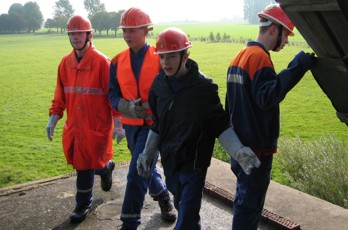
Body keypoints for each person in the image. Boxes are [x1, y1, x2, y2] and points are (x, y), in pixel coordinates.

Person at [136, 27, 261, 230]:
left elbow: (220, 125)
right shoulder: (158, 86)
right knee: (184, 209)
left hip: (194, 166)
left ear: (185, 56)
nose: (165, 63)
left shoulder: (204, 88)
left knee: (186, 217)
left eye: (171, 57)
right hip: (170, 162)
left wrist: (238, 151)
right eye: (162, 57)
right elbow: (158, 124)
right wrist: (146, 154)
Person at [225, 4, 316, 230]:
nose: (286, 41)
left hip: (240, 148)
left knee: (243, 201)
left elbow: (230, 105)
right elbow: (268, 97)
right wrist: (297, 67)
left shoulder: (239, 56)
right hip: (256, 152)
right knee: (250, 207)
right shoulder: (259, 58)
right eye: (285, 34)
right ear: (274, 30)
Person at [45, 15, 125, 223]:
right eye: (72, 34)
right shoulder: (65, 63)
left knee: (84, 165)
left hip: (97, 126)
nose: (75, 37)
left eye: (79, 33)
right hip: (76, 126)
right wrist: (53, 118)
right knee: (84, 161)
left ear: (89, 35)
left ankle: (83, 204)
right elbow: (59, 95)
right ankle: (105, 168)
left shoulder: (102, 63)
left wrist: (119, 124)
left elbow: (112, 96)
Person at [108, 7, 176, 230]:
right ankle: (163, 195)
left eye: (132, 30)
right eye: (125, 30)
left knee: (137, 172)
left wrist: (154, 107)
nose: (127, 35)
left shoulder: (159, 57)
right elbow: (112, 94)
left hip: (153, 126)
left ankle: (129, 222)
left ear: (146, 30)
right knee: (144, 166)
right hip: (130, 127)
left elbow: (172, 90)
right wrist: (125, 107)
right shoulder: (117, 61)